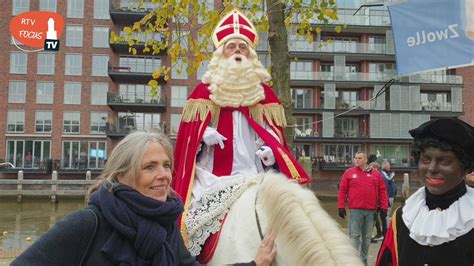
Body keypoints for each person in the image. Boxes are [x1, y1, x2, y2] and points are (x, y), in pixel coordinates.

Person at [12, 131, 277, 266]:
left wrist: (255, 264)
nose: (163, 175)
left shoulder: (167, 228)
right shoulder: (89, 224)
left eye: (166, 165)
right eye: (149, 167)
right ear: (123, 174)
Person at [172, 8, 311, 263]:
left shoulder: (265, 96)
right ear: (221, 53)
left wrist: (271, 155)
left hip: (255, 172)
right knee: (191, 227)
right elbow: (185, 142)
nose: (237, 51)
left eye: (243, 47)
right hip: (213, 178)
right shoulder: (203, 93)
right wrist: (203, 137)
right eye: (231, 46)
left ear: (251, 54)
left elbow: (274, 138)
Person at [376, 118, 474, 266]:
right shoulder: (403, 217)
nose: (432, 169)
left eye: (445, 161)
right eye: (426, 160)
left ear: (465, 167)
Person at [338, 151, 388, 265]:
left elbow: (382, 190)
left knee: (366, 237)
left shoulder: (375, 174)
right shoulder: (349, 173)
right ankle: (354, 261)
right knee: (354, 236)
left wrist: (384, 207)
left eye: (359, 158)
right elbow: (342, 190)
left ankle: (363, 260)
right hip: (356, 210)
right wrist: (341, 206)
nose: (356, 160)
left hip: (371, 211)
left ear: (366, 160)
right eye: (355, 158)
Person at [368, 161, 388, 243]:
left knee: (380, 219)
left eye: (371, 168)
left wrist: (384, 203)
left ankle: (382, 234)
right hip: (379, 202)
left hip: (380, 202)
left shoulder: (380, 176)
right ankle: (381, 233)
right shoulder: (379, 175)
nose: (370, 169)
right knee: (378, 219)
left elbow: (384, 189)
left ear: (375, 168)